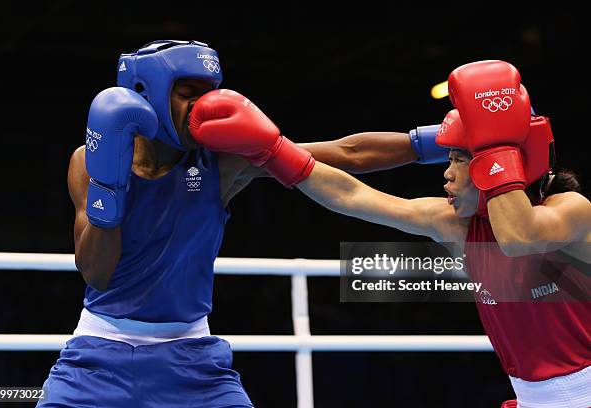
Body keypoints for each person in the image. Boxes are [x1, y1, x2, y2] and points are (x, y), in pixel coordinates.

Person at [38, 40, 440, 407]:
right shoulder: (89, 160)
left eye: (208, 94)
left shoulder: (222, 161)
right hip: (97, 357)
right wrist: (111, 190)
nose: (202, 107)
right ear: (147, 93)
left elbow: (347, 153)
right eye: (187, 94)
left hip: (192, 361)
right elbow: (96, 273)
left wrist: (442, 140)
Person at [185, 60, 590, 407]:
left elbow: (521, 236)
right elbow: (351, 193)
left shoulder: (572, 211)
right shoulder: (456, 224)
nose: (446, 174)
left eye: (460, 161)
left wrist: (496, 150)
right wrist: (273, 150)